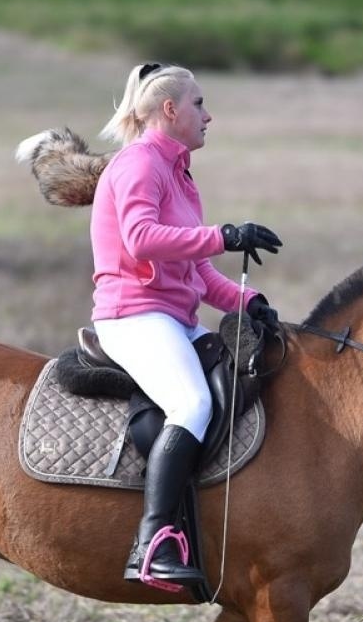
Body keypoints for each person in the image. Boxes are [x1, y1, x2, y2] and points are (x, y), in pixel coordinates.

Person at [90, 62, 284, 593]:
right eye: (199, 104)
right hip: (133, 317)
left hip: (174, 319)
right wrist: (222, 235)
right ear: (170, 110)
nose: (209, 115)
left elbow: (198, 275)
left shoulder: (178, 176)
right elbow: (142, 240)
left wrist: (252, 301)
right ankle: (152, 542)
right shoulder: (139, 165)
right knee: (192, 405)